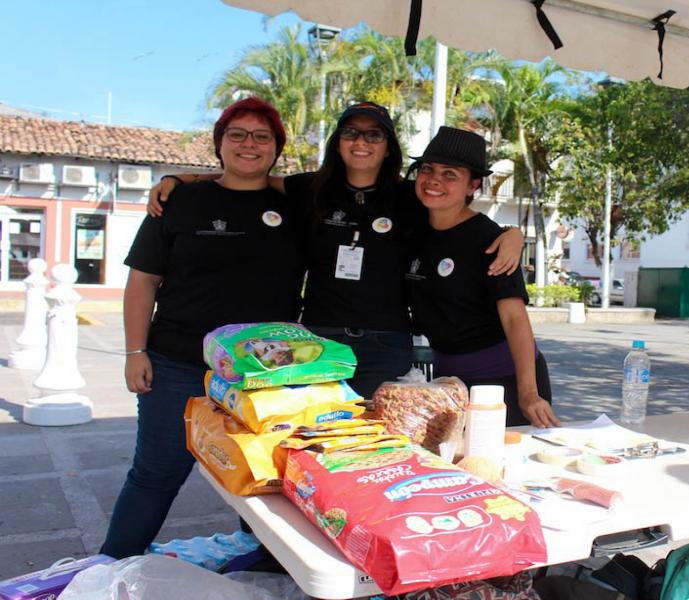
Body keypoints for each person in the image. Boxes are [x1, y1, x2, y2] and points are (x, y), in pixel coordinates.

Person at [148, 102, 523, 398]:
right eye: (351, 133)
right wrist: (178, 178)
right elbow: (245, 176)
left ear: (388, 145)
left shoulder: (412, 195)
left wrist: (512, 232)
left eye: (374, 135)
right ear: (338, 142)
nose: (361, 142)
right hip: (319, 340)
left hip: (386, 341)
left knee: (378, 443)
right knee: (320, 439)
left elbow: (460, 216)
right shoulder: (310, 188)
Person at [101, 97, 306, 558]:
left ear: (276, 148)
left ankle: (266, 570)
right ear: (219, 144)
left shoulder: (297, 207)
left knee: (260, 477)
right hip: (177, 363)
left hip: (264, 373)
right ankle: (107, 567)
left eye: (261, 136)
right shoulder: (181, 201)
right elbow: (143, 280)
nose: (248, 144)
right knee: (155, 473)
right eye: (237, 134)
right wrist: (136, 352)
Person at [406, 127, 560, 428]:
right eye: (428, 169)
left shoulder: (490, 241)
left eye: (450, 174)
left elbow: (515, 320)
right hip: (449, 382)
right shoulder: (415, 230)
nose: (434, 179)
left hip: (503, 380)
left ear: (472, 185)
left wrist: (528, 394)